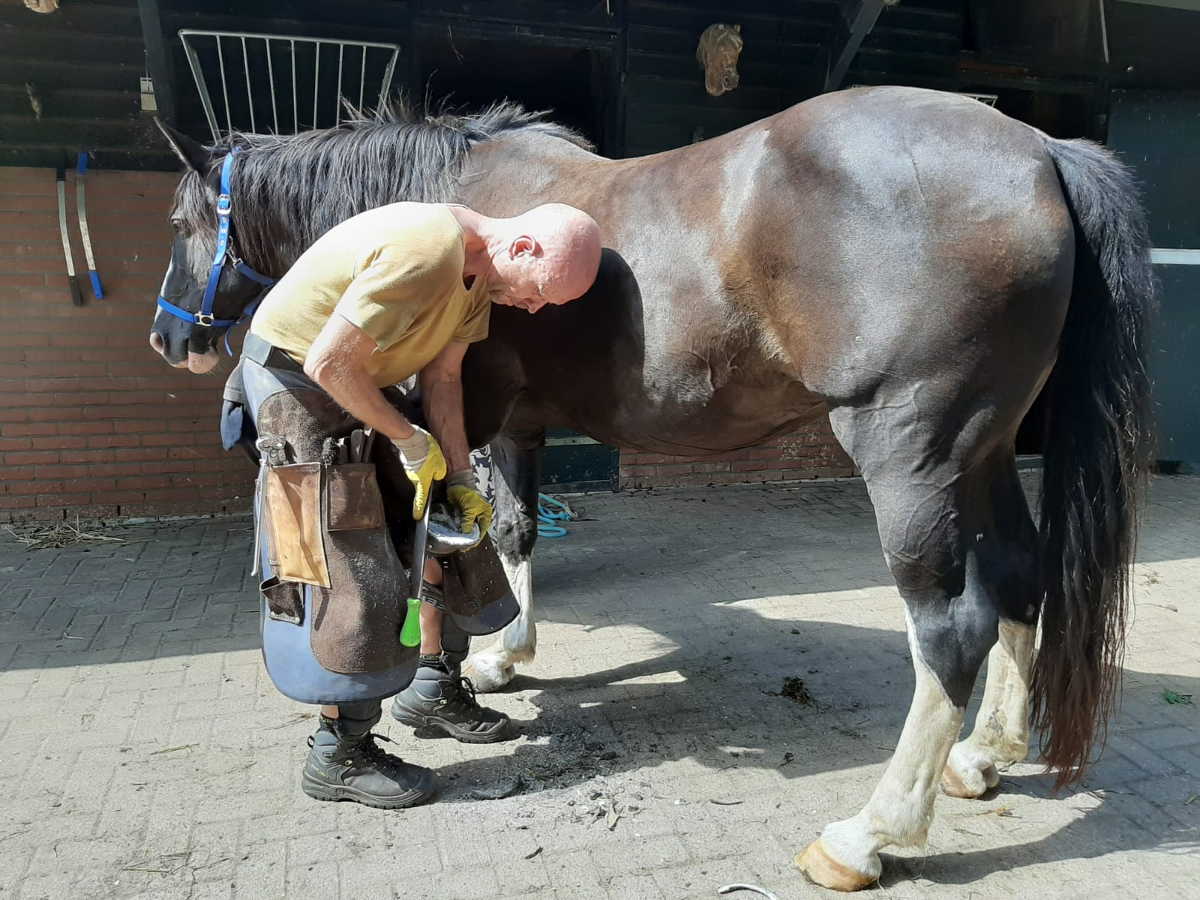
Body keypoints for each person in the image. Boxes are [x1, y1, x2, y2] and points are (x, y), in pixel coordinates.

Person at [246, 200, 602, 807]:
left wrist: (460, 477)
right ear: (521, 248)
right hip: (298, 383)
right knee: (349, 565)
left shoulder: (477, 280)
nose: (535, 308)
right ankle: (337, 756)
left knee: (446, 532)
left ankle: (432, 689)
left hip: (359, 379)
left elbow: (443, 380)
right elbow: (328, 361)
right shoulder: (427, 250)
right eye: (541, 292)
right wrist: (409, 440)